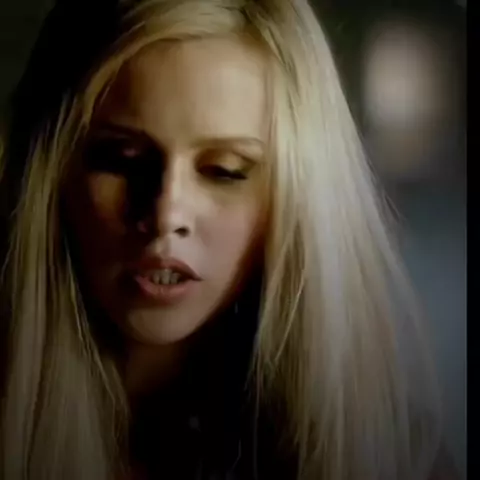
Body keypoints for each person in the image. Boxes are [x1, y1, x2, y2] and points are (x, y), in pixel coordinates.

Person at [0, 1, 450, 479]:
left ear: (297, 198)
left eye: (224, 170)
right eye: (123, 158)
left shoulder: (389, 456)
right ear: (51, 174)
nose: (167, 215)